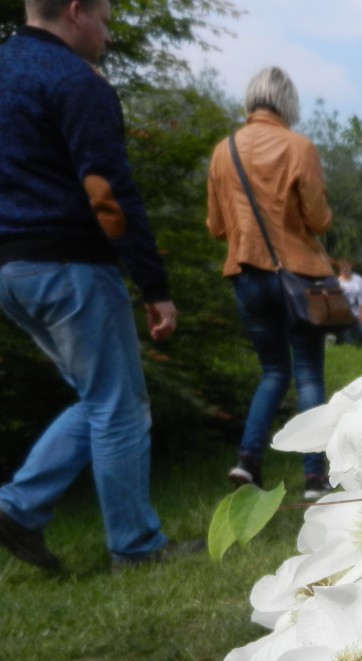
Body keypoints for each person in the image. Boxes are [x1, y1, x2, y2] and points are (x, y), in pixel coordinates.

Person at [0, 0, 194, 571]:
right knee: (120, 407)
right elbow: (110, 194)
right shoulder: (74, 81)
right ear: (77, 11)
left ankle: (19, 508)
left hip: (11, 270)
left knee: (99, 398)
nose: (108, 33)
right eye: (106, 20)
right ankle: (135, 547)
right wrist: (154, 286)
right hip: (71, 266)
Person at [206, 66, 335, 501]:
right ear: (287, 103)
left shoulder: (224, 151)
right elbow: (317, 219)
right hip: (297, 277)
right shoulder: (300, 146)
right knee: (309, 374)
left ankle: (247, 461)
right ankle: (315, 479)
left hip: (246, 274)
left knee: (273, 372)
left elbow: (215, 226)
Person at [337, 259, 362, 347]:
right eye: (342, 268)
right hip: (345, 315)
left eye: (346, 267)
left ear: (350, 266)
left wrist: (361, 314)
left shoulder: (358, 279)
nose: (344, 269)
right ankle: (351, 354)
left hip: (358, 312)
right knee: (347, 338)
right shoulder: (337, 282)